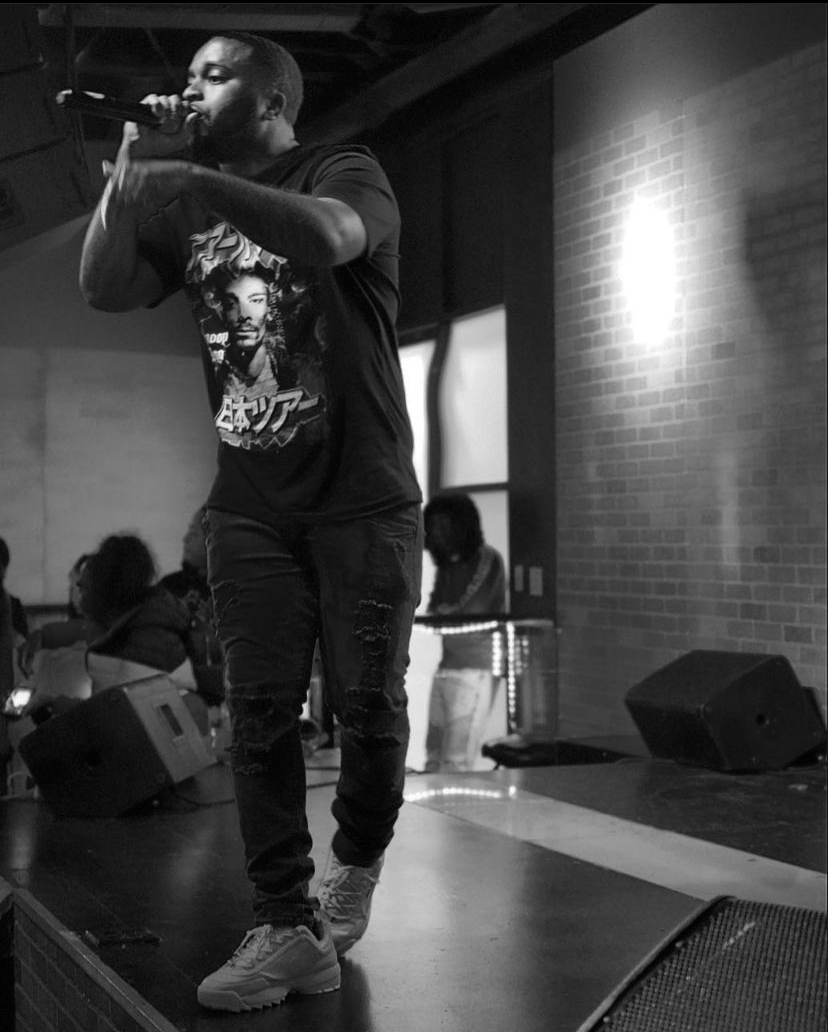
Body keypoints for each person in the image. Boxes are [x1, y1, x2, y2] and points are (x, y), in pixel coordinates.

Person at [78, 31, 422, 1013]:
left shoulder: (343, 169)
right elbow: (103, 287)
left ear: (271, 97)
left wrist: (195, 177)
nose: (189, 88)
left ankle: (355, 862)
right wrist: (132, 174)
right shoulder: (185, 202)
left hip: (362, 499)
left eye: (213, 74)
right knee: (259, 714)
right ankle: (285, 924)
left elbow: (330, 238)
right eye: (186, 76)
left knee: (368, 706)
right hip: (249, 505)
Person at [423, 493, 507, 773]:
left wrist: (444, 614)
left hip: (476, 669)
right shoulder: (448, 566)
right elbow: (435, 609)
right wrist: (443, 614)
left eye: (443, 525)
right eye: (433, 526)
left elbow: (472, 609)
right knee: (433, 756)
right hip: (447, 665)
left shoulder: (488, 559)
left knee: (455, 761)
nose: (437, 533)